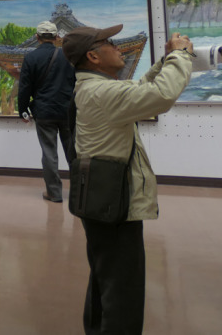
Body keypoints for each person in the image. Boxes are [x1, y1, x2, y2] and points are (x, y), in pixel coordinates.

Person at [63, 25, 193, 335]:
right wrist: (181, 56)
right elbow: (160, 95)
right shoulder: (102, 92)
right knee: (123, 290)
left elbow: (140, 89)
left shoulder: (95, 88)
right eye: (109, 42)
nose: (118, 46)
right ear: (93, 56)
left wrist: (165, 61)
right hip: (115, 202)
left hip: (101, 199)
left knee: (105, 278)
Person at [17, 20, 76, 202]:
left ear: (37, 37)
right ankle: (79, 193)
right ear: (57, 37)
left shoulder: (31, 58)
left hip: (43, 112)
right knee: (73, 152)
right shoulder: (68, 56)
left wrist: (23, 111)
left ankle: (54, 193)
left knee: (49, 153)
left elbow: (24, 88)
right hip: (67, 111)